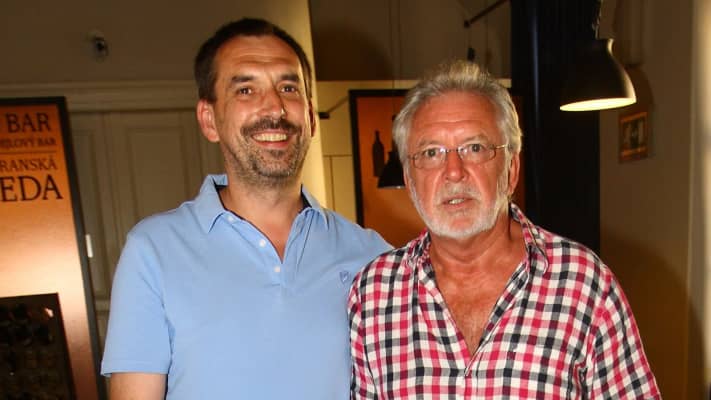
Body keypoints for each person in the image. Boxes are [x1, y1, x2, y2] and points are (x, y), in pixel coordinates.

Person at [101, 18, 391, 399]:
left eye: (288, 88)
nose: (274, 106)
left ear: (310, 116)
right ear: (209, 120)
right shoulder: (153, 250)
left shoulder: (372, 256)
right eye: (246, 90)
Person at [348, 60, 660, 399]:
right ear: (410, 181)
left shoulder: (584, 285)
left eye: (475, 148)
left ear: (511, 169)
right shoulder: (373, 295)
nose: (454, 171)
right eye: (431, 152)